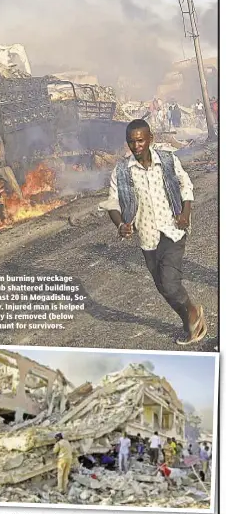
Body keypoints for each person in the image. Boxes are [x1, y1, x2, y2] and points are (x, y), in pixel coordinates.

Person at [99, 119, 207, 346]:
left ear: (150, 139)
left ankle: (193, 314)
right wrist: (120, 225)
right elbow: (112, 203)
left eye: (140, 140)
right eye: (131, 141)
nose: (136, 145)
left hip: (173, 230)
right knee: (162, 286)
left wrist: (185, 213)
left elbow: (185, 185)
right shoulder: (121, 171)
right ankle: (190, 318)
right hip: (147, 236)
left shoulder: (167, 160)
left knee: (169, 282)